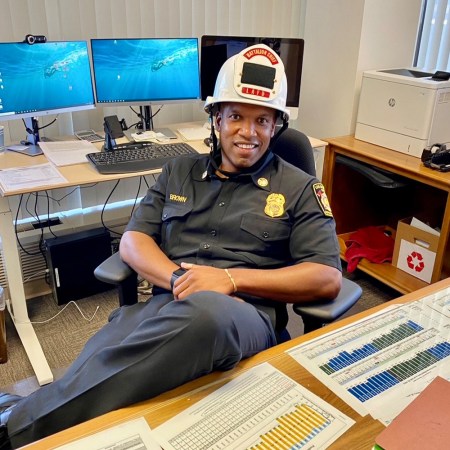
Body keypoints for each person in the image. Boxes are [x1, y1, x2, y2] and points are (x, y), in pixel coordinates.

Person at [0, 44, 342, 449]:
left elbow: (326, 277)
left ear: (276, 127)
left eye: (262, 121)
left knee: (206, 316)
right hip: (167, 303)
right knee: (107, 349)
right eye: (235, 117)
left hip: (241, 317)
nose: (248, 132)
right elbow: (133, 240)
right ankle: (46, 421)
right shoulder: (178, 170)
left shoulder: (300, 187)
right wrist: (179, 278)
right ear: (216, 119)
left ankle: (15, 427)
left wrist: (230, 280)